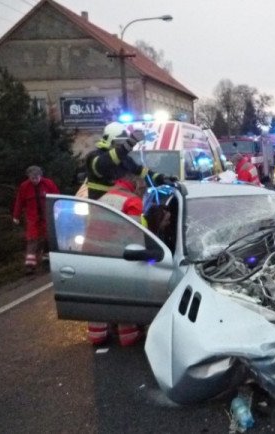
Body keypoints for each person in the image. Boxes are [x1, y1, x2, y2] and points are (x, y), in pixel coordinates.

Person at [86, 173, 146, 347]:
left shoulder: (105, 196)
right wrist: (143, 254)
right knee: (122, 292)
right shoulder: (132, 201)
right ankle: (128, 334)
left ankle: (97, 334)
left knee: (97, 294)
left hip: (91, 251)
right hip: (115, 252)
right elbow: (134, 233)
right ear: (137, 187)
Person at [85, 122, 174, 200]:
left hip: (122, 206)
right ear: (110, 141)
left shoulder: (125, 160)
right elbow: (104, 163)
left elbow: (142, 173)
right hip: (101, 208)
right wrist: (128, 144)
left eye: (123, 143)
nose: (121, 146)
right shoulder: (94, 157)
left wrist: (160, 178)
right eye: (119, 143)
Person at [12, 165, 60, 274]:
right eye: (32, 178)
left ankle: (47, 259)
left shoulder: (48, 184)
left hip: (47, 215)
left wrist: (58, 212)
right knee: (32, 238)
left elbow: (56, 198)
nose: (34, 180)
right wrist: (16, 216)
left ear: (40, 176)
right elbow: (19, 202)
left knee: (48, 237)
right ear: (28, 177)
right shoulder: (24, 187)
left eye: (36, 177)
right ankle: (30, 264)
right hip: (32, 217)